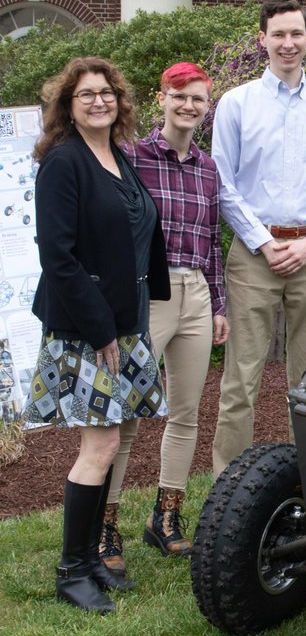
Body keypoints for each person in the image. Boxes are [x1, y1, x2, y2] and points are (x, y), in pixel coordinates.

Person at [22, 57, 170, 613]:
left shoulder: (118, 157)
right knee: (101, 446)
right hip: (89, 329)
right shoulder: (63, 163)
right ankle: (72, 571)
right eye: (85, 95)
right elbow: (57, 258)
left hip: (124, 325)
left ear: (120, 101)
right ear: (67, 105)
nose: (98, 101)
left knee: (108, 446)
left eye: (106, 93)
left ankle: (89, 561)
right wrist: (101, 328)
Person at [211, 0, 306, 477]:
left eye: (296, 33)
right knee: (240, 381)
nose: (288, 43)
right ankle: (228, 491)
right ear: (262, 40)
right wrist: (263, 241)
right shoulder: (236, 104)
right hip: (254, 255)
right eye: (278, 34)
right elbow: (222, 182)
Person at [99, 63, 229, 579]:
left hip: (195, 293)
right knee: (126, 413)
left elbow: (214, 243)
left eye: (198, 99)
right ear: (162, 98)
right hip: (146, 297)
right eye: (180, 96)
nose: (189, 106)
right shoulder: (131, 156)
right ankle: (105, 525)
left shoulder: (207, 167)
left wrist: (218, 304)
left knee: (186, 411)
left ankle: (165, 516)